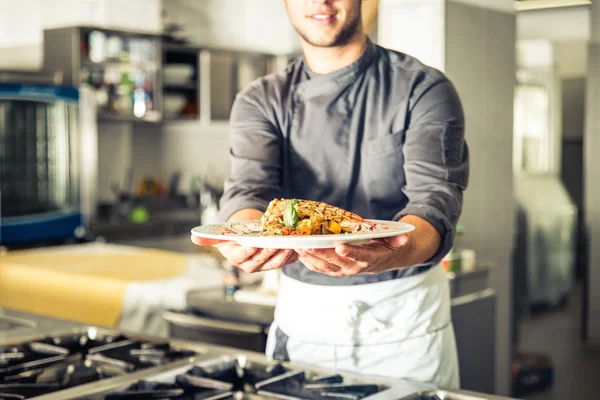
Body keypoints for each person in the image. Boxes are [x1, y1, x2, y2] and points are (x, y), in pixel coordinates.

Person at [192, 0, 469, 389]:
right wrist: (245, 236)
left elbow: (434, 205)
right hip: (304, 326)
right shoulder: (262, 99)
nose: (320, 1)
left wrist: (387, 252)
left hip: (405, 328)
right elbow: (249, 194)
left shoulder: (423, 89)